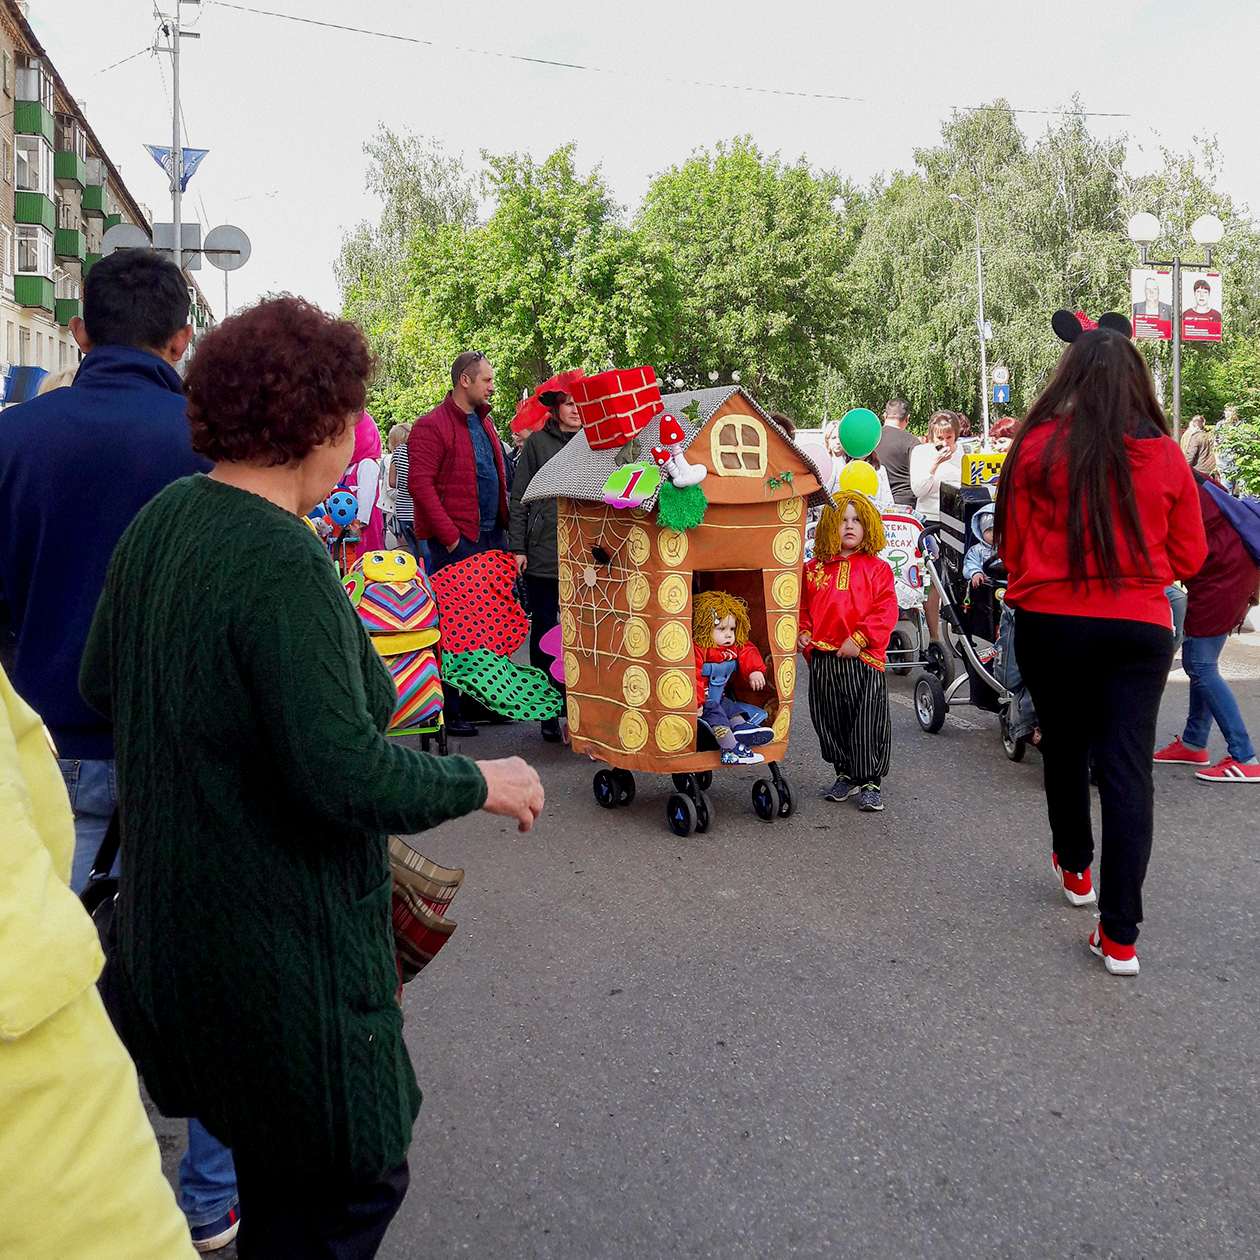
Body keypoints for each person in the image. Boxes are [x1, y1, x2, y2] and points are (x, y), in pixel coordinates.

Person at [79, 296, 544, 1260]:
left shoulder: (165, 519)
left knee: (274, 1178)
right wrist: (481, 781)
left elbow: (100, 683)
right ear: (319, 422)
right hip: (279, 962)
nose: (357, 441)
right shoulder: (281, 559)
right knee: (347, 1192)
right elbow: (345, 773)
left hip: (186, 944)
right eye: (351, 419)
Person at [0, 248, 241, 1248]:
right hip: (186, 757)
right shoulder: (208, 446)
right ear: (182, 341)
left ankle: (112, 1157)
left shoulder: (13, 440)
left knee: (66, 972)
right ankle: (215, 1191)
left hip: (47, 761)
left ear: (83, 335)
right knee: (204, 972)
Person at [996, 326, 1207, 977]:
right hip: (1137, 625)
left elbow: (1011, 546)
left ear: (1069, 378)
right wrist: (1143, 566)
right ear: (1137, 382)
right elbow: (1191, 556)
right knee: (1126, 770)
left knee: (1064, 743)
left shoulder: (1035, 448)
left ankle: (1075, 866)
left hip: (1052, 620)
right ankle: (1119, 938)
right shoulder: (1167, 456)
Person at [0, 666, 198, 1260]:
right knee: (193, 974)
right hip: (147, 748)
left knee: (81, 921)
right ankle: (212, 1195)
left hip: (67, 743)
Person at [407, 351, 511, 737]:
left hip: (490, 535)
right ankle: (450, 711)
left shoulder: (486, 424)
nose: (491, 386)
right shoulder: (430, 426)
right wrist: (451, 540)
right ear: (464, 381)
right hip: (459, 541)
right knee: (456, 628)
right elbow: (420, 485)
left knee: (489, 625)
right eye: (486, 380)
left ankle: (484, 702)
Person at [1154, 470, 1260, 782]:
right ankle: (1193, 743)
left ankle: (1245, 757)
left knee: (1200, 665)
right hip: (1230, 566)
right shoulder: (1180, 470)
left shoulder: (1161, 474)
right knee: (1199, 660)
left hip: (1223, 571)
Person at [798, 492, 898, 813]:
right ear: (829, 524)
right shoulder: (812, 569)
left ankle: (869, 781)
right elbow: (802, 607)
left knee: (867, 718)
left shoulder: (877, 568)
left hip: (862, 657)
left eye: (857, 520)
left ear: (867, 524)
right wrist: (803, 631)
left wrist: (860, 638)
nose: (850, 526)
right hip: (824, 656)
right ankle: (844, 772)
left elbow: (886, 610)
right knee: (829, 717)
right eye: (843, 520)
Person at [509, 374, 583, 743]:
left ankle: (580, 706)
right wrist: (519, 548)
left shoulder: (596, 442)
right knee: (545, 630)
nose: (576, 410)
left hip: (586, 557)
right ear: (555, 408)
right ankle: (548, 706)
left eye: (580, 403)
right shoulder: (537, 443)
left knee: (583, 632)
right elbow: (520, 497)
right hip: (543, 552)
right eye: (569, 403)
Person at [690, 589, 773, 766]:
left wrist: (754, 670)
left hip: (718, 697)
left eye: (732, 629)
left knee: (731, 708)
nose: (728, 634)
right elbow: (692, 676)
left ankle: (741, 728)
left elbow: (747, 649)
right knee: (717, 713)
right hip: (703, 702)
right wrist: (695, 703)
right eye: (721, 629)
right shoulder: (698, 649)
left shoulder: (731, 646)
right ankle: (731, 748)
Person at [909, 410, 965, 642]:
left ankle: (962, 630)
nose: (944, 443)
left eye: (949, 438)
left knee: (958, 575)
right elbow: (918, 490)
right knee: (933, 578)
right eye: (939, 438)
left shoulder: (962, 452)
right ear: (931, 436)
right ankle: (934, 637)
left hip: (955, 519)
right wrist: (933, 465)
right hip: (930, 519)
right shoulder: (921, 453)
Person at [343, 411, 385, 557]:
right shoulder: (347, 466)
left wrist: (359, 523)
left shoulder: (367, 464)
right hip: (345, 527)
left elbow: (366, 497)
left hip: (361, 529)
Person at [874, 397, 921, 510]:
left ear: (885, 416)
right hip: (904, 505)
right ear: (907, 418)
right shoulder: (912, 442)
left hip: (875, 501)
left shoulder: (871, 439)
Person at [379, 422, 410, 549]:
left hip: (395, 510)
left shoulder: (392, 458)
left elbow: (391, 486)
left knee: (404, 546)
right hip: (396, 510)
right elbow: (391, 488)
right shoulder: (394, 458)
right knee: (408, 547)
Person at [963, 502, 996, 588]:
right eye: (989, 530)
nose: (994, 534)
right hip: (985, 586)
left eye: (998, 529)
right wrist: (976, 573)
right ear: (981, 532)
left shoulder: (1013, 549)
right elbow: (970, 563)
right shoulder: (977, 550)